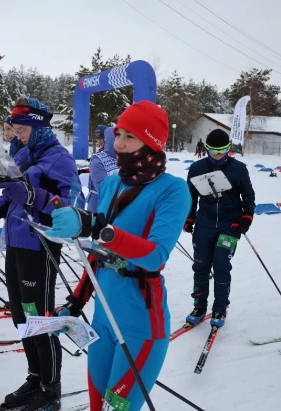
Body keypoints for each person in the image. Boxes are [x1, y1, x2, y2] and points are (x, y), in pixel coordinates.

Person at [46, 101, 191, 411]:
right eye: (118, 134)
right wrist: (74, 303)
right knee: (98, 408)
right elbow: (98, 253)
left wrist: (96, 226)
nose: (119, 144)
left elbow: (155, 256)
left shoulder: (173, 190)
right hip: (103, 320)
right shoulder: (112, 183)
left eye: (130, 137)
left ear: (152, 142)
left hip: (140, 325)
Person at [0, 98, 79, 411]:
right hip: (16, 246)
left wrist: (34, 195)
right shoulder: (23, 153)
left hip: (41, 247)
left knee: (40, 320)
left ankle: (50, 393)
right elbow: (10, 199)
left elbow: (73, 206)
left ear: (39, 127)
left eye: (22, 129)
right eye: (15, 129)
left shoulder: (60, 159)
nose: (17, 134)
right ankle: (35, 378)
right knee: (22, 318)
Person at [183, 129, 255, 328]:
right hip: (204, 225)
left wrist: (246, 219)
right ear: (206, 149)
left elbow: (249, 197)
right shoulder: (196, 168)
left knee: (222, 264)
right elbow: (191, 197)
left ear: (228, 149)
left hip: (229, 225)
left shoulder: (238, 169)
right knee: (201, 266)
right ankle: (199, 306)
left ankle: (220, 307)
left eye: (222, 151)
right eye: (213, 151)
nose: (217, 156)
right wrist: (189, 219)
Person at [86, 127, 118, 212]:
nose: (99, 141)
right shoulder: (98, 159)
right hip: (99, 207)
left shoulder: (124, 158)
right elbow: (102, 188)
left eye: (101, 138)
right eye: (97, 139)